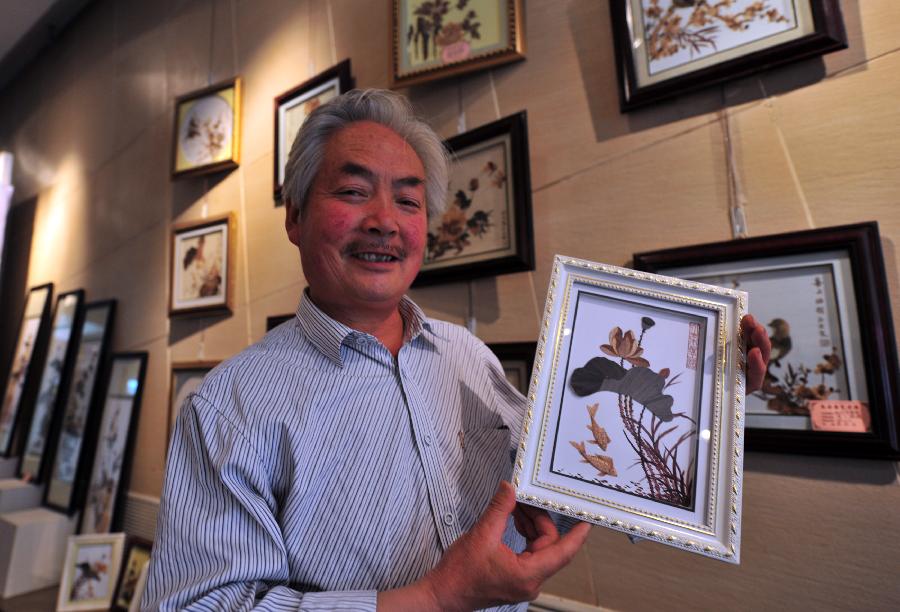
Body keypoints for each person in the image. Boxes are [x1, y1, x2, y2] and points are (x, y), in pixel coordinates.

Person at [143, 89, 770, 611]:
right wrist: (435, 598)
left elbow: (568, 478)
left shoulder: (468, 355)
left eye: (408, 200)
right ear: (295, 216)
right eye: (354, 192)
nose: (385, 220)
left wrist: (708, 395)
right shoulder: (230, 404)